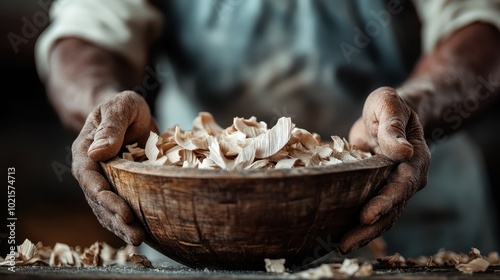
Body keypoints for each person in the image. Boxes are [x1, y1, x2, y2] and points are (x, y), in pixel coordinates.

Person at [35, 0, 500, 259]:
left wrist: (409, 111)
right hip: (195, 218)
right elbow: (85, 34)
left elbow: (482, 27)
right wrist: (105, 110)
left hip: (402, 210)